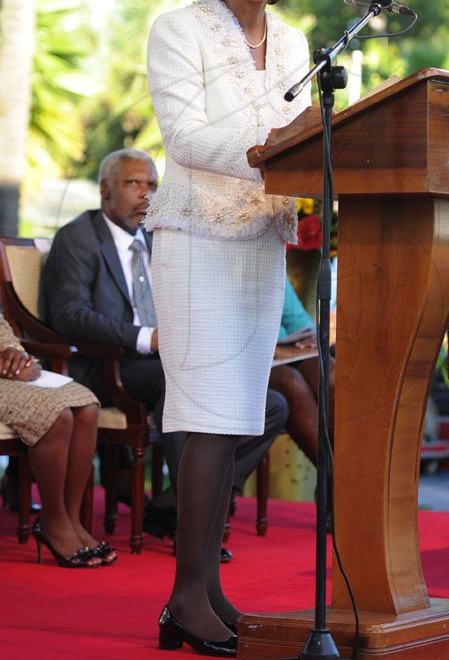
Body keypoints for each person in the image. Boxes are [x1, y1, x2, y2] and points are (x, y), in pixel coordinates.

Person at [145, 0, 312, 655]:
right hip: (195, 238)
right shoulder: (180, 28)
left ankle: (207, 590)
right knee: (204, 414)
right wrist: (274, 142)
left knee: (242, 414)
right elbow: (182, 135)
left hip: (259, 245)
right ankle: (184, 596)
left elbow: (309, 133)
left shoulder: (298, 40)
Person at [43, 148, 288, 548]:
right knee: (177, 383)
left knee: (270, 403)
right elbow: (70, 315)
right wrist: (146, 337)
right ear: (105, 190)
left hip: (167, 360)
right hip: (107, 367)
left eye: (152, 184)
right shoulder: (79, 237)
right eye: (132, 183)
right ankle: (192, 528)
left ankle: (179, 502)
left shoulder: (160, 239)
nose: (145, 193)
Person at [0, 313, 116, 567]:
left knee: (87, 407)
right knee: (56, 415)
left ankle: (72, 519)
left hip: (6, 374)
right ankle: (53, 521)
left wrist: (14, 353)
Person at [270, 277, 335, 468]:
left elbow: (298, 321)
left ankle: (345, 476)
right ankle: (332, 479)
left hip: (289, 348)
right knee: (292, 383)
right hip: (249, 358)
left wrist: (310, 337)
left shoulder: (270, 259)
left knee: (331, 374)